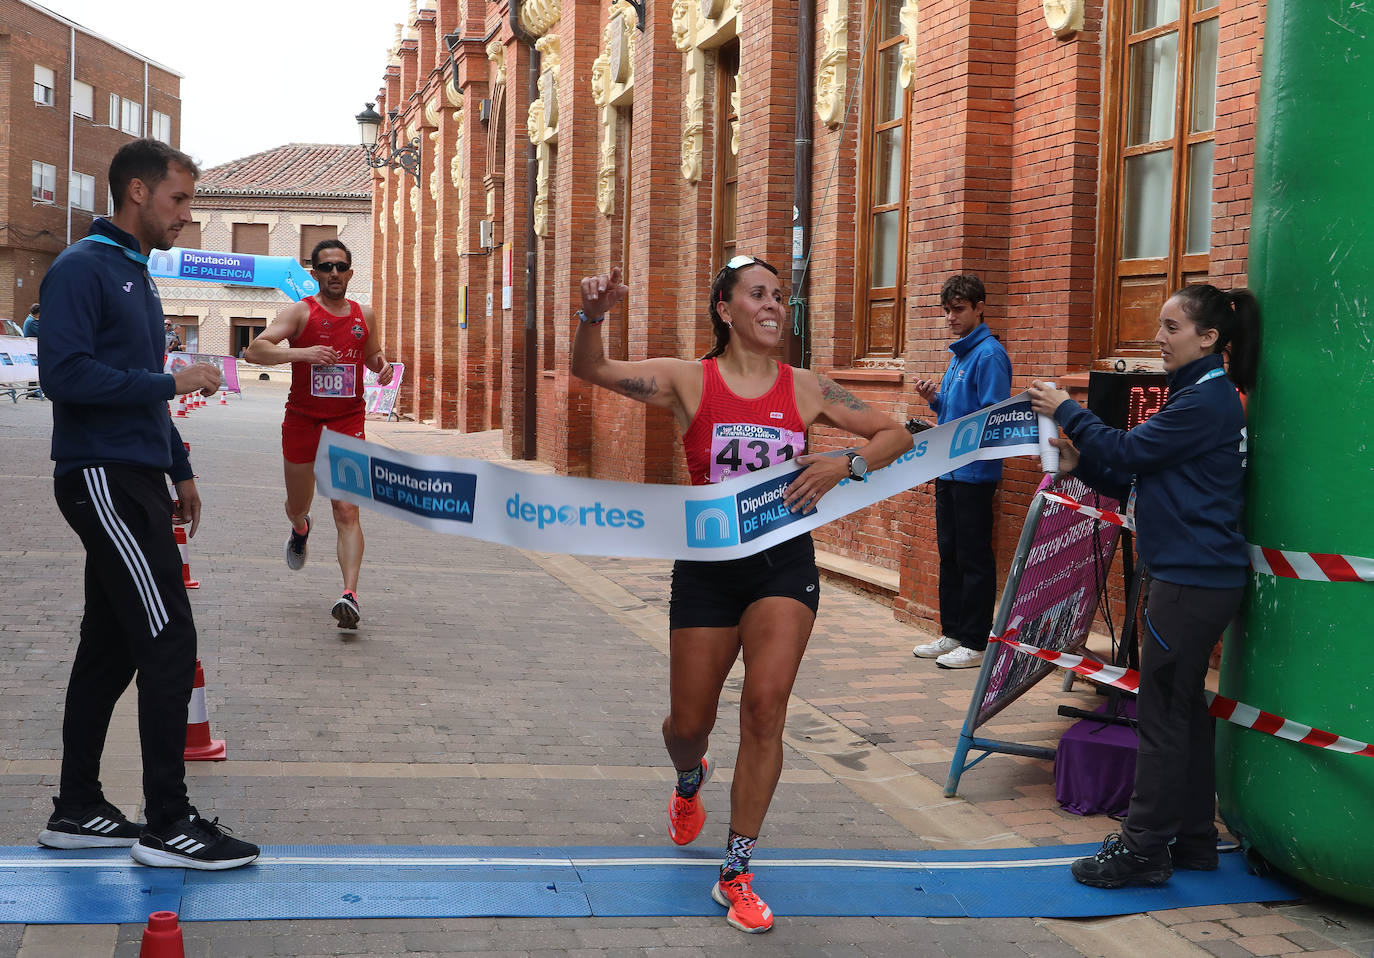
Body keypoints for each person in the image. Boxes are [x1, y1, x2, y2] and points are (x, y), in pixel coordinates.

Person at [572, 258, 913, 933]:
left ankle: (736, 869)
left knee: (765, 709)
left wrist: (847, 464)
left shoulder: (807, 387)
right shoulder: (688, 380)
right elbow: (593, 371)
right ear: (724, 310)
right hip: (707, 568)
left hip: (782, 565)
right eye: (758, 295)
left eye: (780, 296)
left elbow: (894, 435)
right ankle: (689, 775)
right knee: (687, 725)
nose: (773, 305)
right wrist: (593, 317)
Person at [36, 137, 259, 870]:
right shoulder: (82, 269)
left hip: (136, 473)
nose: (186, 217)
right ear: (137, 192)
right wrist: (173, 383)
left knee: (112, 644)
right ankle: (169, 822)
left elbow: (136, 378)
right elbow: (65, 375)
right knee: (168, 636)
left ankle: (77, 810)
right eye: (179, 200)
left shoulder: (135, 275)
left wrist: (181, 468)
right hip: (101, 476)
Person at [1027, 283, 1260, 889]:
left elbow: (1129, 450)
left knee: (1159, 718)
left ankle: (1143, 850)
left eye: (1172, 327)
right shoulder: (1201, 396)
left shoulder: (1205, 401)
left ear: (1209, 338)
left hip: (1186, 581)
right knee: (1183, 714)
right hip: (1194, 577)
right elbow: (1141, 468)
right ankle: (1193, 840)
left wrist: (1065, 408)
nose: (1158, 337)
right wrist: (1084, 464)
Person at [244, 239, 392, 630]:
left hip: (347, 421)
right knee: (298, 503)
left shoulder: (366, 314)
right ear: (314, 274)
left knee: (346, 509)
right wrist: (302, 354)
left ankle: (350, 595)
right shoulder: (300, 312)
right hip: (303, 421)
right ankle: (299, 528)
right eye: (326, 268)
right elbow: (254, 352)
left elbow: (372, 354)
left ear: (350, 272)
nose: (334, 274)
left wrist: (382, 366)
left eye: (341, 267)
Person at [910, 274, 1012, 669]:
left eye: (958, 309)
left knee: (973, 557)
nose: (951, 317)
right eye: (947, 310)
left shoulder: (989, 355)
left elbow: (993, 418)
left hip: (973, 474)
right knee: (950, 554)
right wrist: (934, 398)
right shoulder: (959, 355)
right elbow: (955, 411)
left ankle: (975, 640)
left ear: (979, 307)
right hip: (948, 469)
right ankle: (952, 632)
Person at [22, 303, 43, 399]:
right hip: (32, 349)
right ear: (37, 313)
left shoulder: (33, 320)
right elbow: (42, 332)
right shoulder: (31, 322)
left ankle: (32, 391)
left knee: (34, 369)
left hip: (34, 349)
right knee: (35, 369)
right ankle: (32, 391)